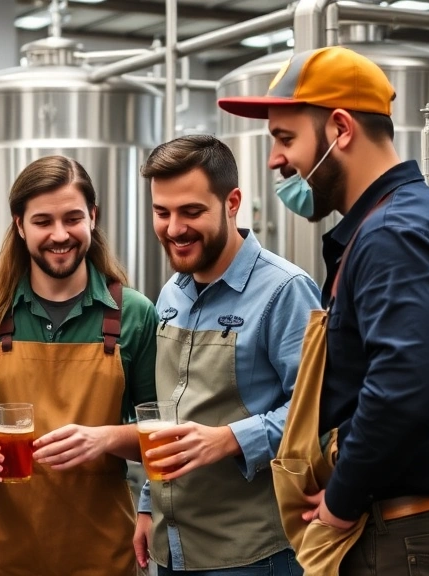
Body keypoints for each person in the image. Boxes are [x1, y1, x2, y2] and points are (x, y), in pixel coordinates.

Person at [218, 46, 429, 575]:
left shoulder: (394, 235)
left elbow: (404, 389)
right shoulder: (406, 220)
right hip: (405, 530)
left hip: (401, 535)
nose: (275, 160)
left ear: (340, 128)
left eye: (285, 139)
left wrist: (343, 499)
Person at [0, 155, 158, 576]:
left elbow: (160, 430)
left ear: (92, 218)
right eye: (43, 222)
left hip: (102, 552)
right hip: (4, 552)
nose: (60, 235)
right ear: (19, 226)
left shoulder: (133, 313)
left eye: (72, 218)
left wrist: (105, 438)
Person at [132, 134, 319, 576]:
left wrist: (231, 439)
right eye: (162, 212)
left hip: (253, 553)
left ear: (231, 202)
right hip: (173, 548)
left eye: (191, 211)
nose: (174, 228)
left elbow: (319, 412)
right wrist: (146, 504)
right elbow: (170, 412)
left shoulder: (285, 291)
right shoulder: (171, 293)